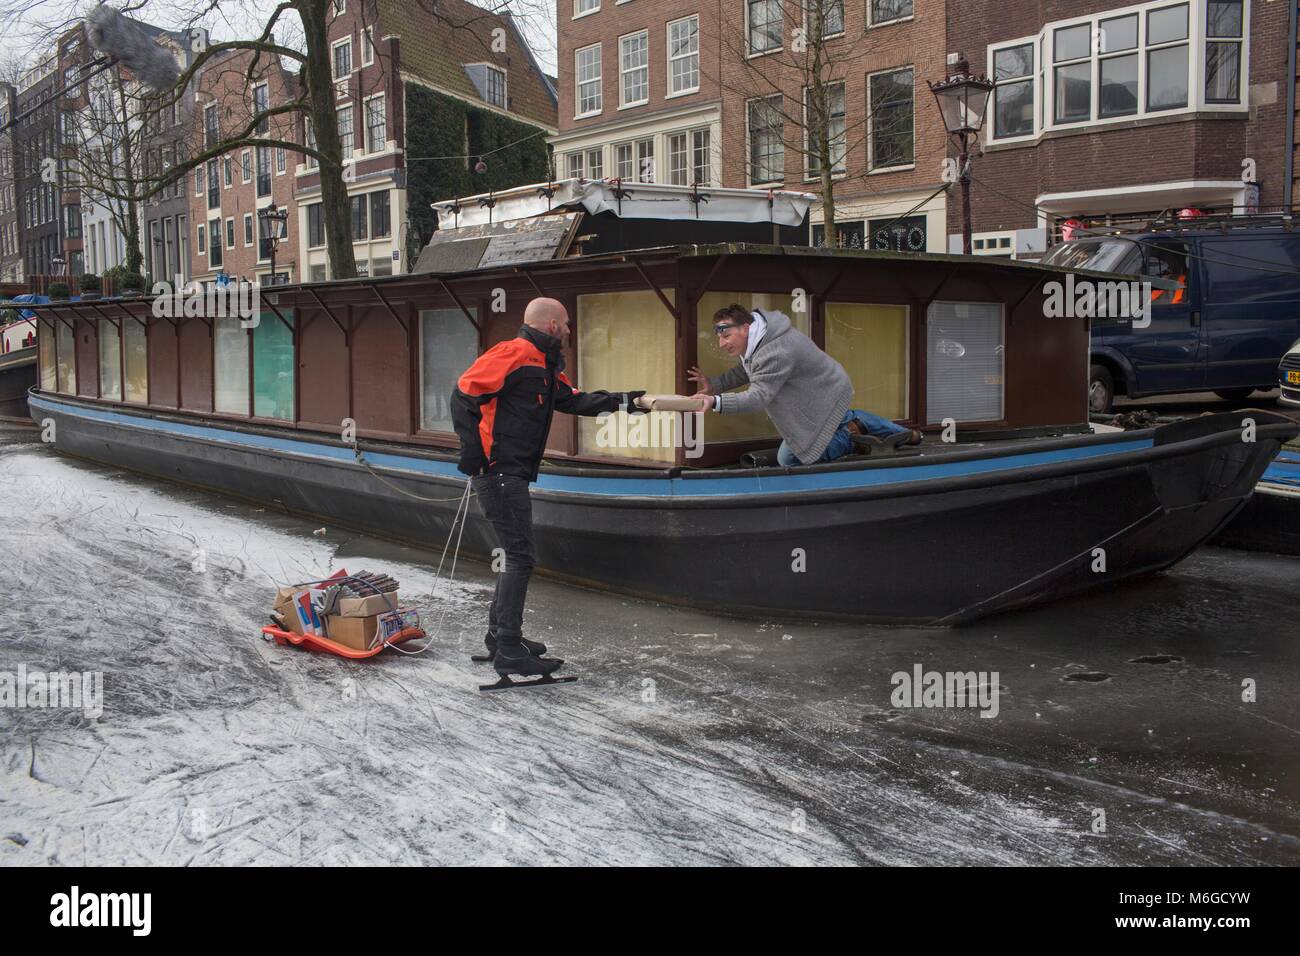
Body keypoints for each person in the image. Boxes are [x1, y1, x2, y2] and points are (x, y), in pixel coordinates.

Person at [451, 297, 645, 680]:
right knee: (520, 556)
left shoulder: (544, 363)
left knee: (513, 554)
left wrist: (629, 402)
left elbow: (572, 401)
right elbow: (463, 394)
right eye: (567, 324)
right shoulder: (515, 353)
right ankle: (509, 647)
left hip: (512, 474)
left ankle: (498, 638)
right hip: (499, 472)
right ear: (552, 324)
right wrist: (473, 455)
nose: (571, 331)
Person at [689, 304, 921, 467]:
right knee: (840, 418)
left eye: (726, 335)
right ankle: (906, 435)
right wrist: (716, 384)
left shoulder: (775, 350)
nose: (721, 343)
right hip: (819, 393)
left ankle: (850, 435)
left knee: (791, 459)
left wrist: (715, 402)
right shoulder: (759, 340)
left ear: (745, 328)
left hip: (825, 393)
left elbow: (758, 396)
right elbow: (748, 370)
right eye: (719, 337)